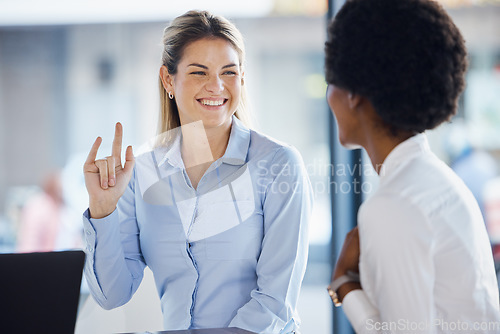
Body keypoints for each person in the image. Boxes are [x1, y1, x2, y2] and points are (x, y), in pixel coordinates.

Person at [82, 10, 313, 334]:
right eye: (199, 72)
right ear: (168, 80)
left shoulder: (278, 165)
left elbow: (275, 304)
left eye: (228, 72)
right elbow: (112, 294)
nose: (216, 86)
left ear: (242, 78)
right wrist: (102, 210)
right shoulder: (142, 173)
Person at [324, 0, 500, 333]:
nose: (329, 94)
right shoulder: (437, 180)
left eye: (331, 79)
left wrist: (344, 287)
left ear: (354, 93)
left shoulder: (395, 203)